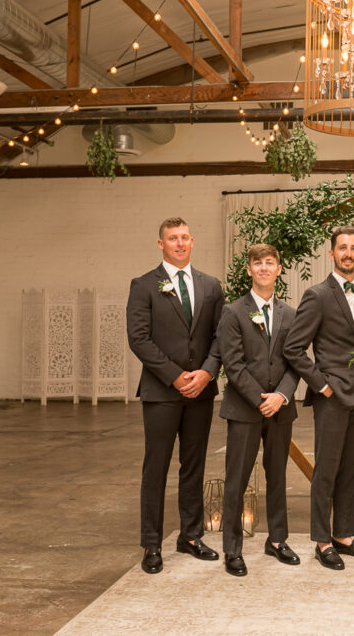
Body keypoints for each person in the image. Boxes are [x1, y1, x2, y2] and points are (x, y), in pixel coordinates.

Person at [126, 217, 224, 574]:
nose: (180, 243)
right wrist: (174, 376)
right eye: (173, 238)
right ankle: (151, 543)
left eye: (184, 238)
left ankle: (191, 535)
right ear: (161, 244)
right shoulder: (143, 285)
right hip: (161, 392)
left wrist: (206, 372)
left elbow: (220, 336)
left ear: (192, 241)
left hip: (200, 390)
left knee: (194, 466)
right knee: (157, 467)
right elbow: (139, 338)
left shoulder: (211, 285)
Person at [284, 226, 354, 570]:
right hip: (331, 396)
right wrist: (321, 385)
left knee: (349, 469)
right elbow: (293, 348)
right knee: (325, 470)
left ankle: (345, 536)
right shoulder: (318, 294)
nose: (348, 253)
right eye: (342, 248)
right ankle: (322, 541)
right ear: (331, 254)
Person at [217, 244, 301, 577]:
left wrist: (280, 396)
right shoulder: (233, 312)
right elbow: (233, 365)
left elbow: (297, 362)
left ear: (278, 269)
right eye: (257, 263)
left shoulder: (291, 315)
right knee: (236, 479)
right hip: (244, 408)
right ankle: (232, 548)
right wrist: (260, 398)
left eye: (270, 262)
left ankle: (277, 540)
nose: (264, 268)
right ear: (249, 270)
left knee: (278, 476)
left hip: (281, 409)